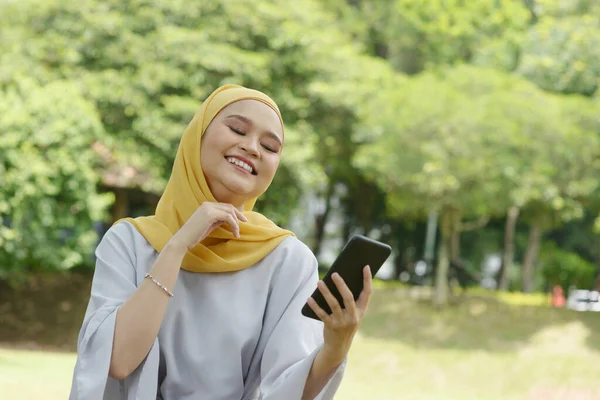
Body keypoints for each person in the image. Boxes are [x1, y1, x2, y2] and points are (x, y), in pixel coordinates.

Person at [69, 84, 373, 400]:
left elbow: (286, 388)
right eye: (238, 129)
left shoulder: (287, 260)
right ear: (197, 135)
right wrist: (177, 246)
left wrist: (336, 348)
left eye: (270, 147)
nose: (253, 147)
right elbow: (117, 361)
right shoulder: (129, 242)